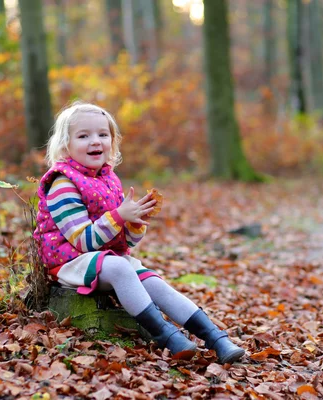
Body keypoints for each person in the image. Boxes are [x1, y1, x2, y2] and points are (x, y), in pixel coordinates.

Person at [33, 100, 245, 364]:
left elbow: (125, 242)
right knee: (121, 269)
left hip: (106, 257)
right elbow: (83, 240)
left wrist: (133, 223)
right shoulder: (62, 184)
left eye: (102, 134)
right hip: (70, 261)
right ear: (66, 145)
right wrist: (120, 216)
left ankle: (215, 337)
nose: (95, 141)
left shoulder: (108, 179)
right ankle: (167, 336)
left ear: (113, 140)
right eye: (83, 136)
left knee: (154, 282)